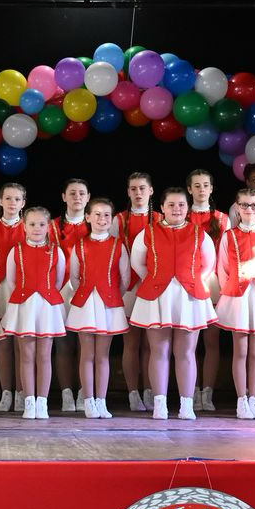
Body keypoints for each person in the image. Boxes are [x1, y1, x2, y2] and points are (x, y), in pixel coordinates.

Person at [128, 186, 217, 420]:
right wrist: (158, 280)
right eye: (171, 205)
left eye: (181, 205)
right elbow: (138, 264)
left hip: (189, 297)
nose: (176, 209)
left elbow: (208, 265)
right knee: (159, 350)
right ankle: (160, 404)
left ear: (188, 208)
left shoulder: (199, 234)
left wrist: (190, 281)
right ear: (162, 207)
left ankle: (186, 405)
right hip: (157, 296)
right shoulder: (147, 233)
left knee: (186, 352)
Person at [64, 196, 131, 419]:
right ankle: (88, 400)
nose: (102, 219)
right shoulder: (80, 245)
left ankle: (101, 400)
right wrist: (86, 294)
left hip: (108, 305)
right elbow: (74, 277)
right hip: (85, 304)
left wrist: (110, 296)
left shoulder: (118, 245)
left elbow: (125, 278)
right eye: (98, 214)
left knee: (102, 356)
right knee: (87, 354)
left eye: (107, 215)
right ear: (88, 217)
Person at [216, 187, 255, 420]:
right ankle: (241, 400)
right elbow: (223, 270)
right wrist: (233, 291)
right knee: (240, 350)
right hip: (238, 298)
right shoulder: (228, 236)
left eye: (253, 205)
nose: (249, 209)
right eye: (244, 205)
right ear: (237, 208)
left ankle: (254, 399)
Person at [2, 206, 68, 419]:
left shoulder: (56, 251)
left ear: (48, 227)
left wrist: (44, 294)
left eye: (41, 224)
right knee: (27, 356)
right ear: (24, 227)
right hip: (24, 307)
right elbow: (12, 281)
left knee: (44, 356)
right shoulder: (16, 251)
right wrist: (26, 297)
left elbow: (58, 281)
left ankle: (42, 403)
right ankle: (29, 402)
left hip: (47, 307)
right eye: (32, 224)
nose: (37, 228)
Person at [186, 168, 229, 412]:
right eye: (197, 185)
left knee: (212, 342)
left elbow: (226, 255)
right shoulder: (181, 214)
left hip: (213, 283)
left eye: (205, 185)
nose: (201, 190)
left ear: (212, 188)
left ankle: (207, 393)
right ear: (189, 189)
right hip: (187, 284)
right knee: (188, 344)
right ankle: (190, 391)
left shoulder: (223, 219)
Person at [50, 177, 92, 414]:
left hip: (88, 291)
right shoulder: (51, 226)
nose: (77, 197)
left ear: (88, 198)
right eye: (72, 193)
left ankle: (85, 392)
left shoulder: (96, 222)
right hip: (59, 290)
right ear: (64, 197)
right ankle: (66, 394)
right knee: (64, 344)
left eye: (81, 193)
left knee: (86, 345)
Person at [0, 181, 29, 412]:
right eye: (8, 198)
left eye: (17, 199)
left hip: (24, 291)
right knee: (3, 344)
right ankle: (6, 393)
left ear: (23, 203)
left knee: (22, 345)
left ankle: (22, 392)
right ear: (0, 201)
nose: (12, 203)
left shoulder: (30, 226)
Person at [117, 172, 157, 410]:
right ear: (128, 192)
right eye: (133, 188)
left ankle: (151, 391)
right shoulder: (118, 220)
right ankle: (133, 393)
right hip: (129, 288)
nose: (138, 192)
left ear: (151, 191)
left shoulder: (161, 219)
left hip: (154, 288)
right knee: (131, 343)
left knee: (152, 344)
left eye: (142, 188)